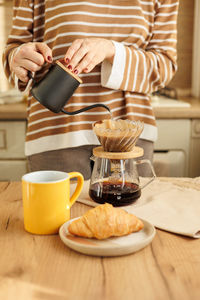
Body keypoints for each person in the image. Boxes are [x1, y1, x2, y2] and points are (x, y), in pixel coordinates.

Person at [2, 0, 179, 179]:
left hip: (128, 138)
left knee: (128, 208)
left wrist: (111, 51)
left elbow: (165, 66)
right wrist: (18, 59)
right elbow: (13, 54)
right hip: (56, 135)